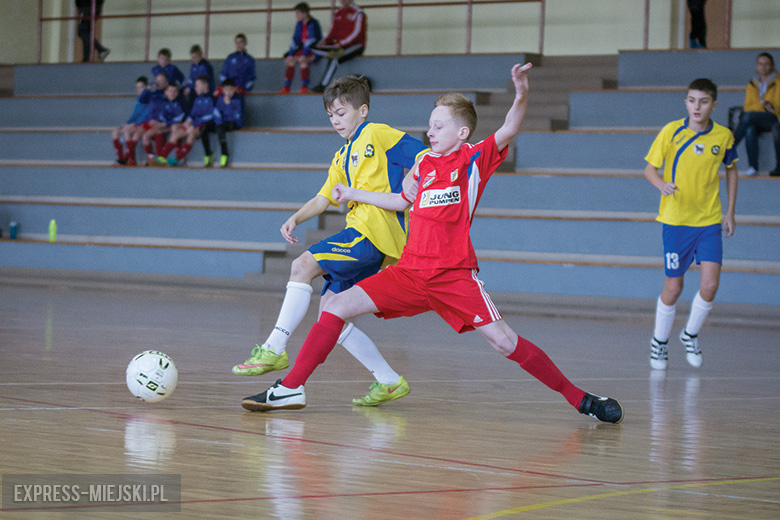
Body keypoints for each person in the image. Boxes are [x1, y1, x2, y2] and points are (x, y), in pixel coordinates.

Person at [241, 63, 624, 424]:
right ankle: (290, 388)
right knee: (336, 304)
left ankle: (581, 399)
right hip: (409, 272)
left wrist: (521, 92)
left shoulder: (474, 160)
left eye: (438, 127)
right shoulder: (423, 166)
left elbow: (509, 126)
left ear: (461, 133)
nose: (429, 133)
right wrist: (354, 191)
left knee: (505, 342)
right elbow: (398, 201)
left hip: (453, 277)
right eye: (429, 125)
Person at [232, 75, 429, 408]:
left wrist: (410, 179)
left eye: (341, 112)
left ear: (362, 110)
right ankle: (389, 380)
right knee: (330, 317)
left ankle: (274, 348)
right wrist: (296, 217)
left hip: (373, 234)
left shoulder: (376, 133)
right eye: (331, 115)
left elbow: (424, 155)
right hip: (365, 236)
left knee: (302, 265)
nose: (336, 120)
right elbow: (323, 198)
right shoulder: (341, 156)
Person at [644, 78, 738, 371]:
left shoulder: (723, 136)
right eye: (692, 100)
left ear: (714, 104)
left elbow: (732, 171)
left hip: (709, 221)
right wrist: (661, 185)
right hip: (676, 222)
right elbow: (649, 169)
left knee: (710, 284)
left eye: (704, 101)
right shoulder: (671, 132)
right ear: (686, 102)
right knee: (674, 287)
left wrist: (730, 212)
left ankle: (690, 334)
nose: (697, 107)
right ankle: (659, 342)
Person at [732, 52, 780, 177]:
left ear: (772, 66)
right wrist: (764, 106)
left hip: (775, 117)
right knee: (749, 128)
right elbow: (748, 106)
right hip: (757, 118)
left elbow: (777, 104)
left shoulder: (778, 81)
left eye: (766, 64)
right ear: (757, 66)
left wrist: (769, 106)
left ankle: (730, 146)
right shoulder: (752, 83)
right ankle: (753, 167)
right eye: (760, 64)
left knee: (748, 117)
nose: (763, 67)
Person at [310, 0, 366, 93]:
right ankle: (330, 51)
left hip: (355, 45)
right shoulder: (338, 13)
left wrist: (342, 43)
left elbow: (357, 33)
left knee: (334, 57)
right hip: (339, 46)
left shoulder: (358, 12)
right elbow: (333, 32)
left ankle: (323, 86)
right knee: (313, 46)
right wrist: (325, 42)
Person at [196, 78, 243, 168]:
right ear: (223, 90)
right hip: (220, 122)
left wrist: (228, 104)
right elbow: (217, 113)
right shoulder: (220, 99)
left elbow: (234, 117)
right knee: (204, 127)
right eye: (226, 90)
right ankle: (208, 154)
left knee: (220, 128)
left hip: (232, 123)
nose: (228, 92)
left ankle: (224, 154)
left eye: (231, 90)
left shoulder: (238, 100)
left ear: (234, 89)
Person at [280, 2, 322, 94]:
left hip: (314, 50)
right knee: (290, 60)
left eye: (298, 13)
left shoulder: (313, 24)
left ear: (305, 13)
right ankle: (286, 87)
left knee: (303, 60)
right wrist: (291, 54)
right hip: (303, 50)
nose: (296, 16)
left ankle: (304, 87)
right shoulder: (299, 24)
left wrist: (304, 54)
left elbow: (311, 40)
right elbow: (295, 39)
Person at [142, 82, 186, 166]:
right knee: (146, 135)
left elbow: (178, 119)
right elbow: (160, 117)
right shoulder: (163, 103)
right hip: (164, 126)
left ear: (177, 93)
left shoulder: (177, 104)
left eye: (175, 91)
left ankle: (168, 156)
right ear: (165, 92)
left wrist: (163, 124)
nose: (172, 93)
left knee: (173, 127)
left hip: (174, 126)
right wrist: (156, 123)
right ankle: (151, 158)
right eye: (170, 91)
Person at [111, 76, 149, 166]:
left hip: (143, 124)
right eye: (137, 88)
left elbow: (145, 115)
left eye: (141, 87)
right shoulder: (139, 99)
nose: (139, 90)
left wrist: (133, 124)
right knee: (115, 131)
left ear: (147, 88)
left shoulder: (149, 99)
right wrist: (128, 123)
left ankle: (131, 158)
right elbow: (135, 114)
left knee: (127, 132)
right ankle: (121, 158)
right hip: (135, 124)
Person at [140, 73, 170, 165]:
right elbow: (141, 99)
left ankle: (160, 159)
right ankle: (151, 159)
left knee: (155, 132)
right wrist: (146, 90)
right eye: (157, 81)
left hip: (162, 123)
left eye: (161, 81)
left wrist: (161, 122)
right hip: (150, 123)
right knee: (143, 136)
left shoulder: (168, 93)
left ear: (166, 83)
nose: (158, 83)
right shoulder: (151, 93)